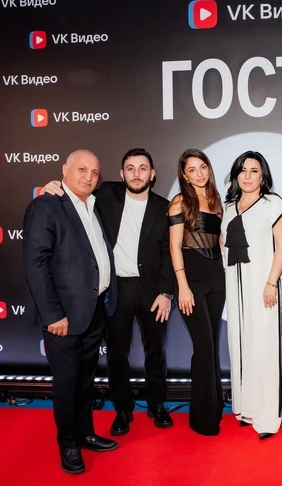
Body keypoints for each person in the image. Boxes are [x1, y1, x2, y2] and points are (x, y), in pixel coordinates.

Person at [40, 148, 175, 437]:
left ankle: (157, 404)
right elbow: (72, 189)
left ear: (152, 174)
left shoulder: (164, 208)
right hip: (116, 288)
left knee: (156, 350)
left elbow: (169, 253)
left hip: (153, 292)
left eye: (143, 168)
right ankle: (123, 409)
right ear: (121, 173)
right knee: (116, 353)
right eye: (130, 168)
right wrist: (52, 185)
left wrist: (166, 292)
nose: (136, 173)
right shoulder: (104, 196)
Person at [23, 150, 119, 475]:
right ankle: (68, 443)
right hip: (63, 316)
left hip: (95, 310)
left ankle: (85, 433)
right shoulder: (46, 205)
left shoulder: (93, 205)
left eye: (95, 172)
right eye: (81, 169)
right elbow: (36, 264)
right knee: (66, 382)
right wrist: (52, 315)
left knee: (86, 379)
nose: (89, 177)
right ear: (65, 170)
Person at [221, 151, 282, 440]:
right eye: (243, 170)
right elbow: (224, 243)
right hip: (235, 289)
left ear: (263, 176)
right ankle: (246, 408)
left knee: (265, 346)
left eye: (254, 171)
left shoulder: (273, 204)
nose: (247, 176)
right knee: (241, 345)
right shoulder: (229, 207)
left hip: (263, 286)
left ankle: (267, 415)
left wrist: (271, 283)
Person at [168, 149, 225, 436]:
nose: (199, 173)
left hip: (217, 280)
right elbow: (174, 247)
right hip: (191, 281)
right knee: (203, 347)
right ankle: (202, 418)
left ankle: (213, 409)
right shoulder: (180, 202)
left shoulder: (216, 200)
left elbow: (221, 242)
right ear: (184, 175)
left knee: (211, 345)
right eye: (192, 170)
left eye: (202, 167)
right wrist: (182, 286)